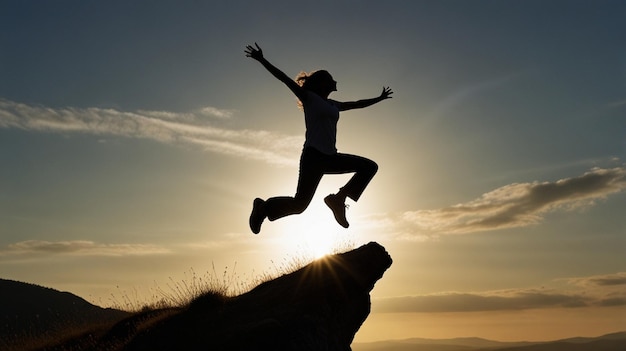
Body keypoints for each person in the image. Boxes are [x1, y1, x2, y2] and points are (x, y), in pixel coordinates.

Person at [245, 43, 393, 234]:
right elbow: (283, 78)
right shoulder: (308, 97)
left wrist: (379, 98)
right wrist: (262, 59)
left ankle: (338, 199)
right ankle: (263, 207)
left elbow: (357, 104)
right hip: (313, 157)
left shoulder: (333, 104)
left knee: (369, 167)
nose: (335, 81)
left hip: (331, 157)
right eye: (331, 78)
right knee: (299, 205)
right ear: (322, 83)